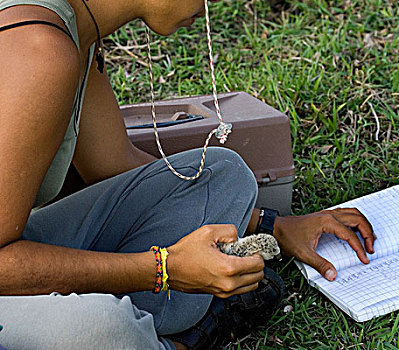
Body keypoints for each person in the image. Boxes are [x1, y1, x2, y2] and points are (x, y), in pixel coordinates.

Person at [0, 0, 376, 348]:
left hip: (12, 246)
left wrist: (273, 225)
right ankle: (179, 340)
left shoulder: (74, 27)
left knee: (222, 175)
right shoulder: (39, 50)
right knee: (103, 328)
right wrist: (163, 268)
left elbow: (110, 164)